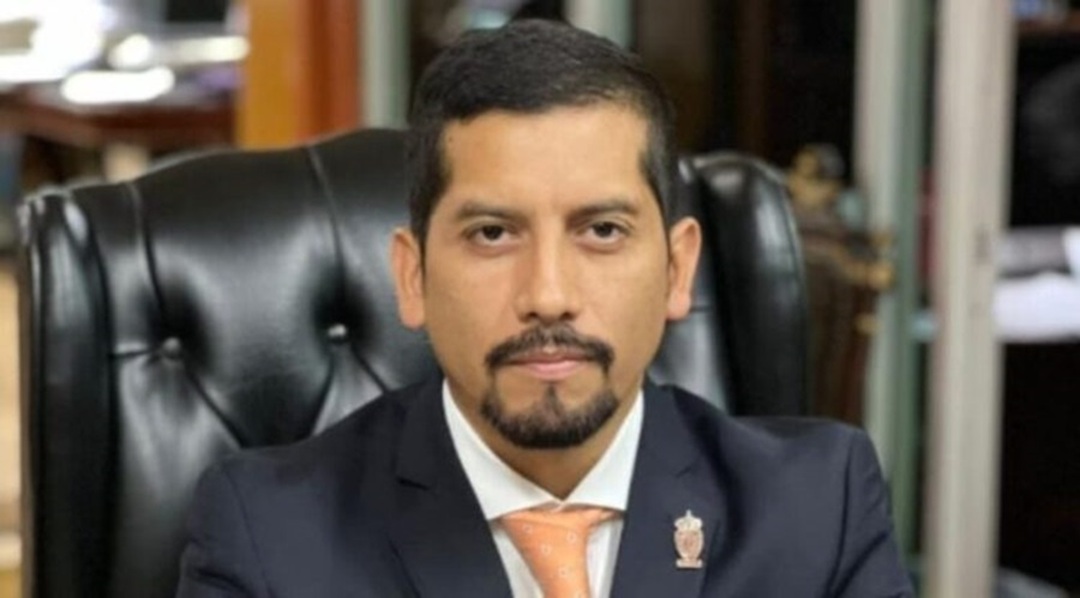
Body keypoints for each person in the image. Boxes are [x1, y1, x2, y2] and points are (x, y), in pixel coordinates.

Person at [177, 19, 912, 597]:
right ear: (413, 276)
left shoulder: (820, 505)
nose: (548, 296)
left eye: (602, 231)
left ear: (676, 269)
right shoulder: (267, 534)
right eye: (493, 234)